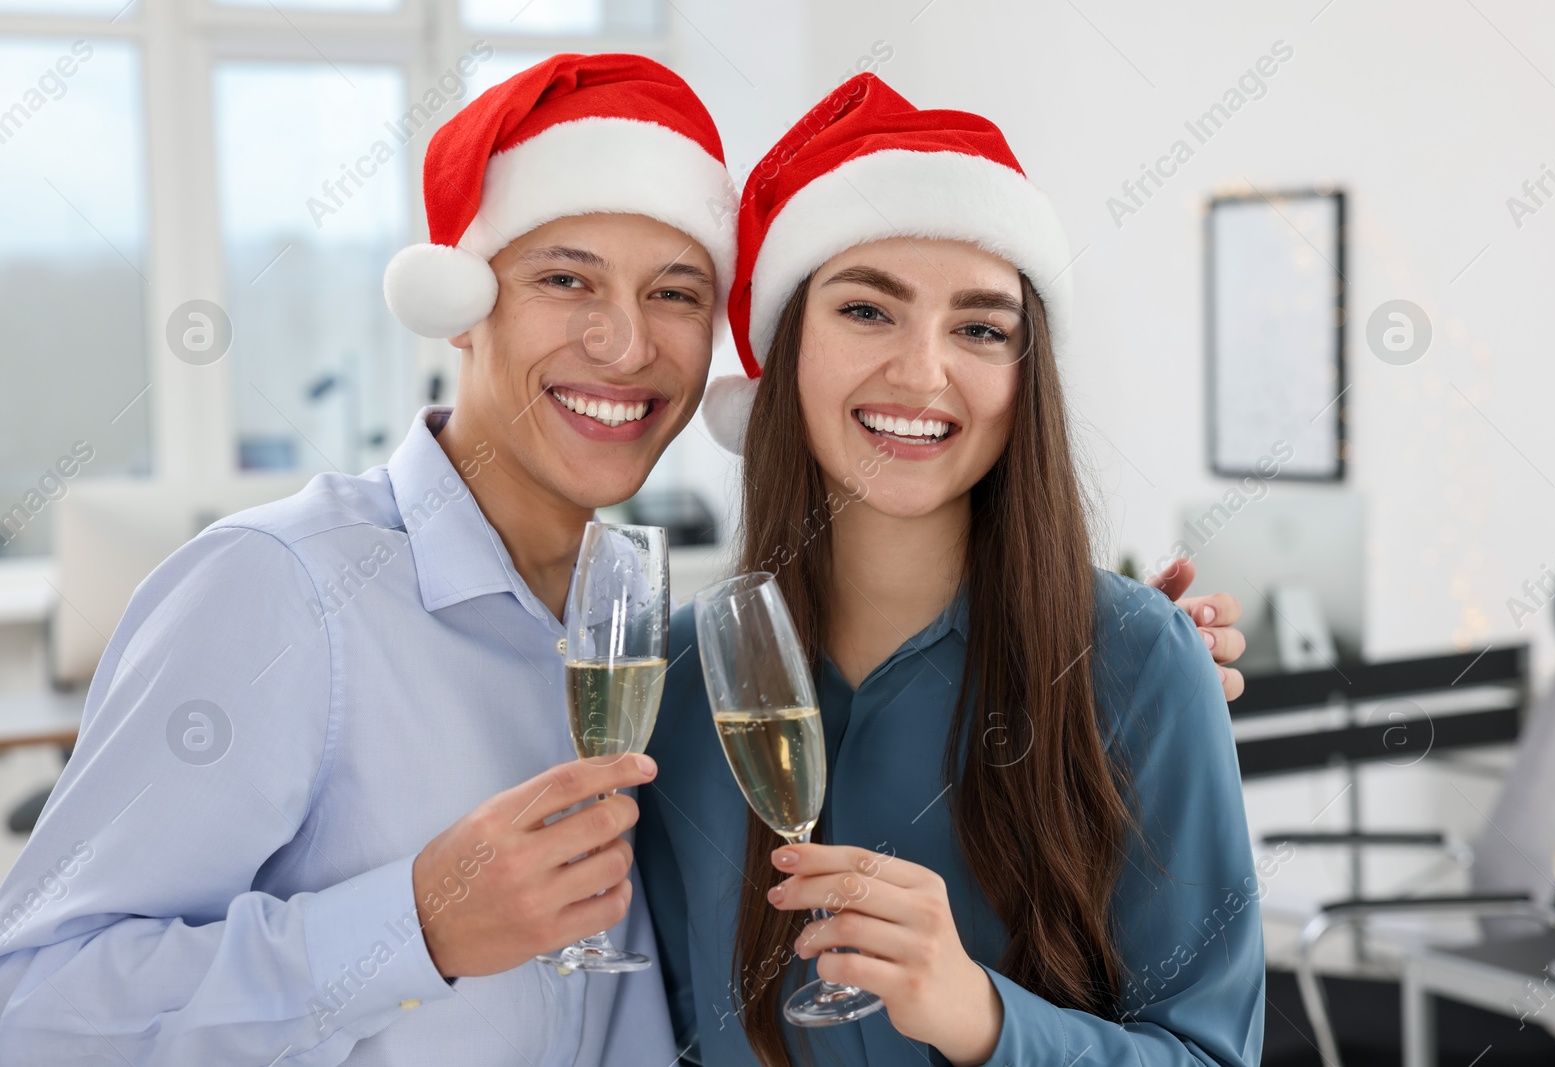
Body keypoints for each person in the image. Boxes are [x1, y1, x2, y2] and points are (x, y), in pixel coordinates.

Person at [0, 53, 1243, 1065]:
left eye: (674, 293)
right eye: (563, 277)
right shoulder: (279, 591)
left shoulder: (656, 647)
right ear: (463, 301)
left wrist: (1128, 670)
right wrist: (415, 925)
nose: (622, 343)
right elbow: (33, 1007)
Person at [638, 74, 1264, 1067]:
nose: (923, 372)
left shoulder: (1140, 662)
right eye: (867, 311)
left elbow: (1209, 1052)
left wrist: (980, 1013)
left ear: (1025, 379)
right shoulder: (676, 680)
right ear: (786, 353)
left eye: (979, 328)